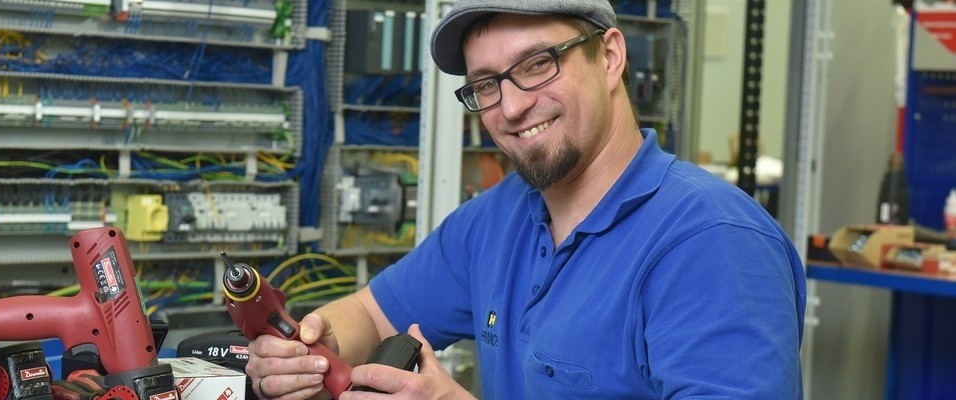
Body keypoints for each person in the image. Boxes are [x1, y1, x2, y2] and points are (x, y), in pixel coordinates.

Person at [245, 0, 807, 398]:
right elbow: (371, 311)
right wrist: (310, 347)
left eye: (538, 64)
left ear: (610, 57)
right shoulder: (498, 219)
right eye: (486, 84)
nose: (510, 109)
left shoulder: (711, 243)